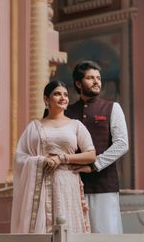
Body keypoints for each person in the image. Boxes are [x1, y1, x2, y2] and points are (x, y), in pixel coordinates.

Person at [11, 80, 96, 233]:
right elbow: (20, 157)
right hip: (41, 182)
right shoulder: (34, 127)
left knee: (67, 225)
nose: (63, 98)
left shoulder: (75, 125)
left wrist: (62, 158)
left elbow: (91, 155)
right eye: (57, 94)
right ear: (46, 100)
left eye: (65, 94)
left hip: (67, 182)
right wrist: (41, 160)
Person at [66, 61, 129, 234]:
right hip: (72, 186)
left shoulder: (112, 108)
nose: (96, 81)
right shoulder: (67, 112)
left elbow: (122, 144)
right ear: (78, 83)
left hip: (104, 186)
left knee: (106, 234)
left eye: (98, 78)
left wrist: (94, 165)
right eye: (90, 78)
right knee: (75, 235)